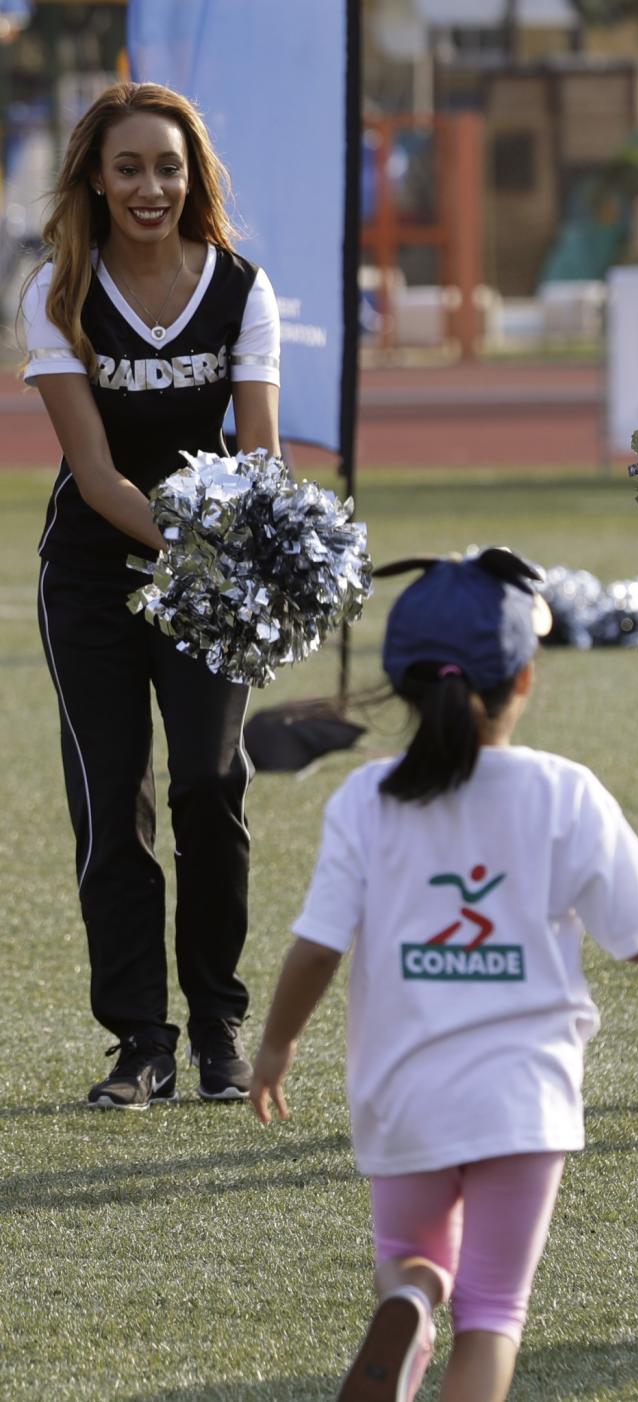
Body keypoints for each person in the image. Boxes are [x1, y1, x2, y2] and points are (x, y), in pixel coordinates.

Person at [249, 548, 638, 1402]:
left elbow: (315, 946)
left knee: (411, 1263)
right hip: (524, 1103)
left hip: (401, 1091)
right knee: (492, 1312)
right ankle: (428, 1311)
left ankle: (411, 1299)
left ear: (404, 681)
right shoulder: (563, 792)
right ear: (526, 679)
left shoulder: (365, 800)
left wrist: (275, 1047)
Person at [20, 82, 281, 1109]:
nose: (149, 187)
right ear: (93, 175)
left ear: (195, 176)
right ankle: (141, 1039)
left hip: (210, 580)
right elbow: (95, 474)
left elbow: (258, 453)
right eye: (127, 167)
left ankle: (218, 1028)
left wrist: (239, 548)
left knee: (209, 786)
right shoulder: (56, 292)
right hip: (94, 573)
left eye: (168, 166)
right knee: (111, 794)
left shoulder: (241, 287)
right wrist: (199, 541)